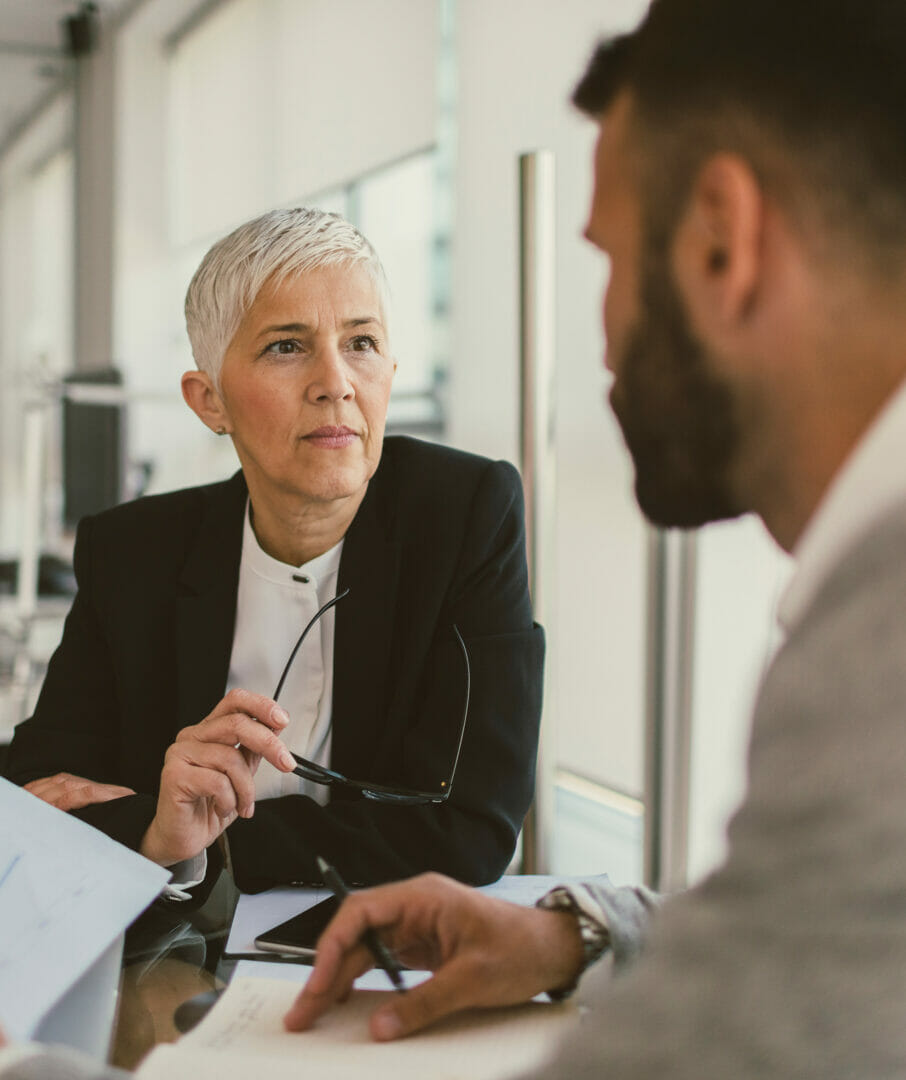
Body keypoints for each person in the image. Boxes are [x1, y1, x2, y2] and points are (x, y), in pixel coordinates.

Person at [280, 1, 906, 1076]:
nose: (604, 340)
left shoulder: (880, 648)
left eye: (610, 261)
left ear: (722, 239)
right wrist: (576, 930)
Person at [6, 208, 544, 898]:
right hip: (179, 957)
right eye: (286, 347)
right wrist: (158, 832)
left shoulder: (466, 514)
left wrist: (192, 843)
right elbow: (41, 798)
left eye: (361, 343)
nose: (335, 382)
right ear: (210, 401)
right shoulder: (133, 552)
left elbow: (472, 828)